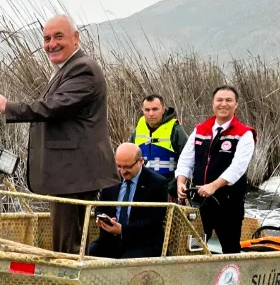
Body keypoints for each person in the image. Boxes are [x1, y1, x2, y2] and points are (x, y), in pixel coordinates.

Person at [0, 14, 117, 254]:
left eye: (59, 36)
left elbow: (56, 106)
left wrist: (10, 107)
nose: (51, 44)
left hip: (74, 174)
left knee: (68, 245)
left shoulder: (83, 69)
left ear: (75, 38)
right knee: (68, 241)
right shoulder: (66, 69)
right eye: (46, 38)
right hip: (69, 175)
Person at [174, 85, 256, 254]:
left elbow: (238, 168)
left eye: (228, 100)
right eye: (219, 100)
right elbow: (186, 160)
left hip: (228, 202)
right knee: (194, 248)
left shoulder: (244, 134)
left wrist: (214, 185)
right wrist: (181, 181)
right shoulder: (200, 130)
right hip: (200, 201)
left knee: (229, 249)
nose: (223, 104)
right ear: (213, 103)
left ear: (236, 104)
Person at [88, 143, 169, 259]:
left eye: (127, 167)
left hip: (143, 243)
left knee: (126, 262)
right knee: (87, 254)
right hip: (111, 241)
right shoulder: (111, 179)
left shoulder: (157, 183)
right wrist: (103, 219)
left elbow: (154, 222)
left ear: (141, 161)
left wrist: (123, 230)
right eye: (119, 166)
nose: (122, 172)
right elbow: (100, 208)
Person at [129, 94, 188, 178]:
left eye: (155, 109)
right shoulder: (139, 129)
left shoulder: (175, 129)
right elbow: (128, 158)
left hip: (168, 185)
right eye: (147, 110)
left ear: (163, 110)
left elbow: (188, 159)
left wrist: (175, 184)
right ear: (142, 110)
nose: (151, 114)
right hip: (142, 186)